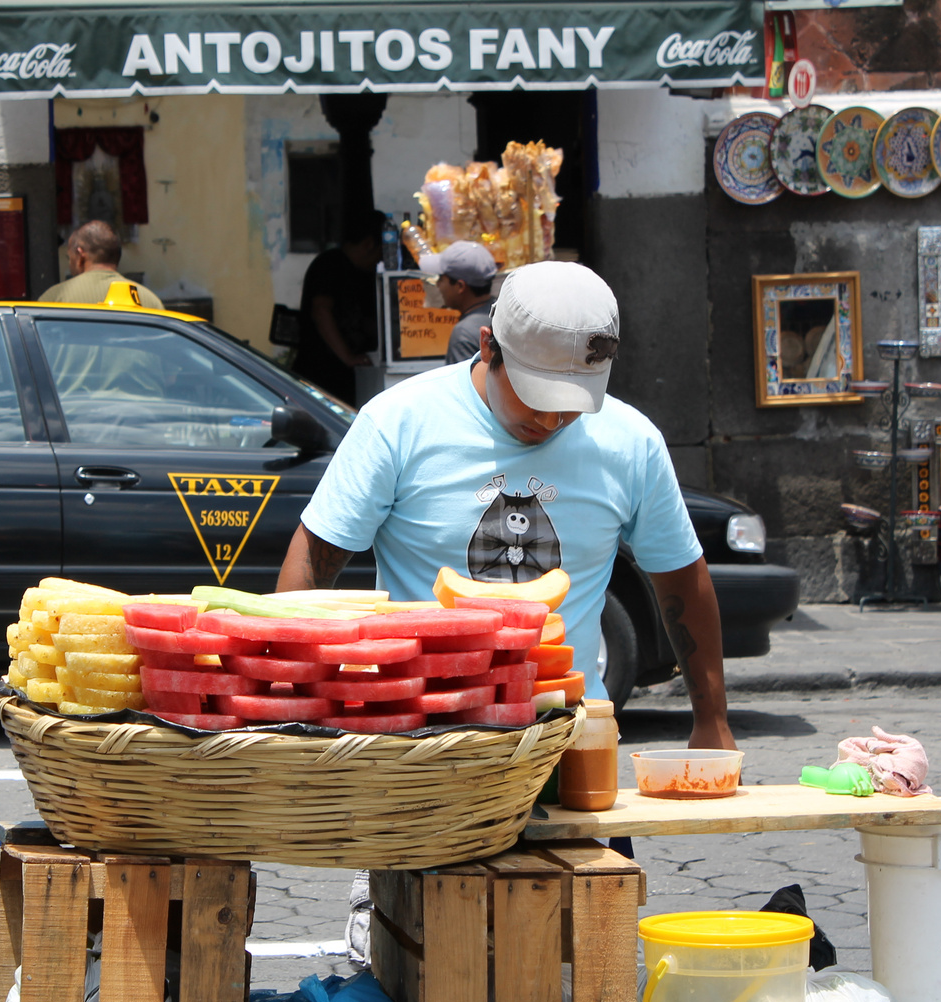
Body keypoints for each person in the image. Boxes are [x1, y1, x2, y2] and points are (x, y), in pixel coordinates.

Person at [278, 261, 734, 752]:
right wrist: (287, 711)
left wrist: (712, 720)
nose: (551, 418)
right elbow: (313, 561)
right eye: (535, 394)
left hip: (568, 740)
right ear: (488, 345)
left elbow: (681, 576)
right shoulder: (397, 423)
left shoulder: (632, 444)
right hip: (418, 746)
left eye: (574, 402)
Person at [293, 212, 384, 403]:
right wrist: (348, 358)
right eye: (380, 253)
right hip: (323, 373)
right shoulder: (330, 265)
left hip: (349, 374)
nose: (379, 261)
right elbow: (321, 311)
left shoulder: (360, 273)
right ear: (369, 244)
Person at [38, 219, 165, 308]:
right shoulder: (149, 301)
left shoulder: (55, 299)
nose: (70, 264)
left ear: (80, 256)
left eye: (69, 258)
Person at [421, 240, 497, 365]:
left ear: (460, 286)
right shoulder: (503, 312)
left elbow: (466, 384)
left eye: (441, 278)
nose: (438, 284)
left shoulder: (463, 333)